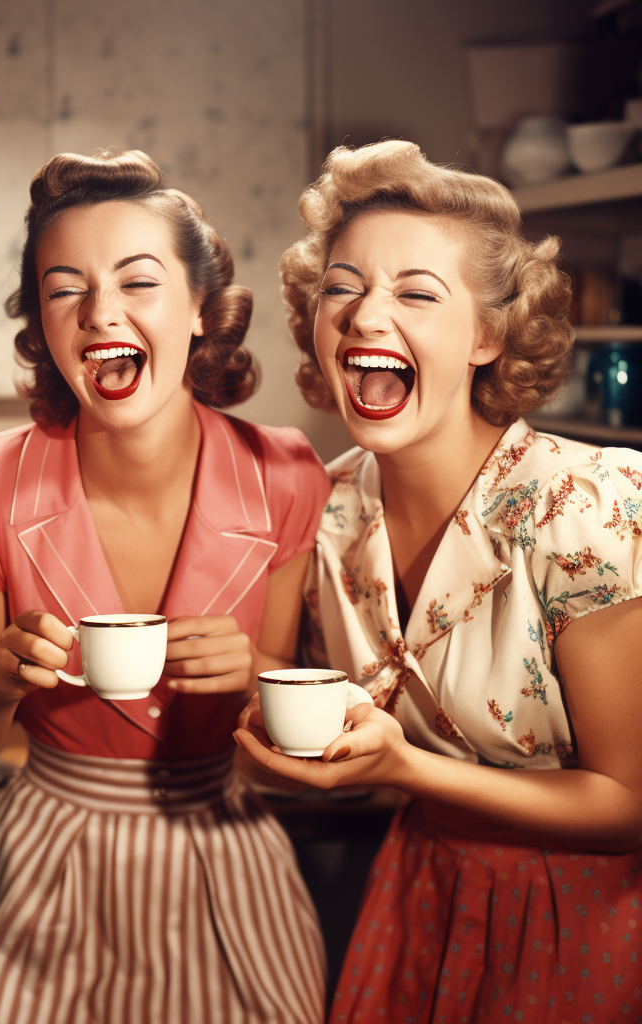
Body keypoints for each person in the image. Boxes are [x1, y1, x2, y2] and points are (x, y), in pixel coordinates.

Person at [234, 139, 642, 1021]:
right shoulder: (324, 505)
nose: (365, 315)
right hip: (417, 894)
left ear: (488, 336)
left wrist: (407, 769)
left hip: (587, 918)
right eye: (341, 288)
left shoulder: (586, 507)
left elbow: (627, 803)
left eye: (417, 293)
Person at [0, 148, 330, 1023]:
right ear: (42, 324)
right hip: (43, 857)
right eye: (64, 288)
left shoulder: (287, 474)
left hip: (225, 858)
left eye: (137, 281)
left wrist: (257, 677)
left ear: (200, 311)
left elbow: (294, 766)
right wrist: (0, 681)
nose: (100, 311)